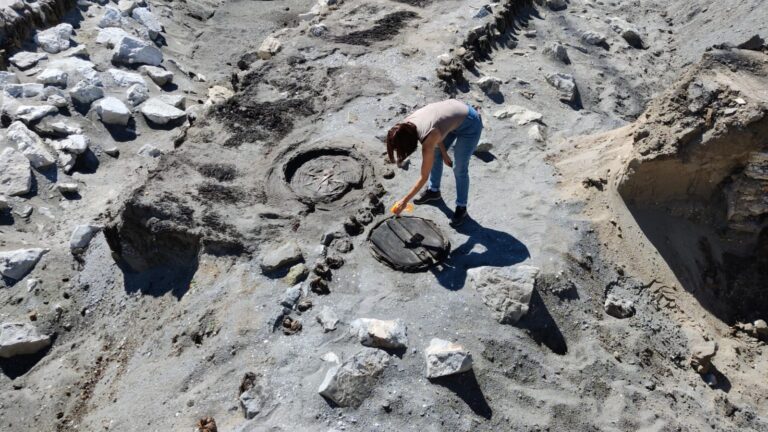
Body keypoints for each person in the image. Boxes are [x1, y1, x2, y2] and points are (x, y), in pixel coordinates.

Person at [386, 99, 483, 227]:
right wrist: (443, 152)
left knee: (459, 168)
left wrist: (404, 201)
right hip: (451, 117)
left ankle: (461, 207)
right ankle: (434, 191)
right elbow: (437, 131)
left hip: (470, 123)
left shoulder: (427, 137)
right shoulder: (404, 126)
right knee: (436, 153)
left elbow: (423, 177)